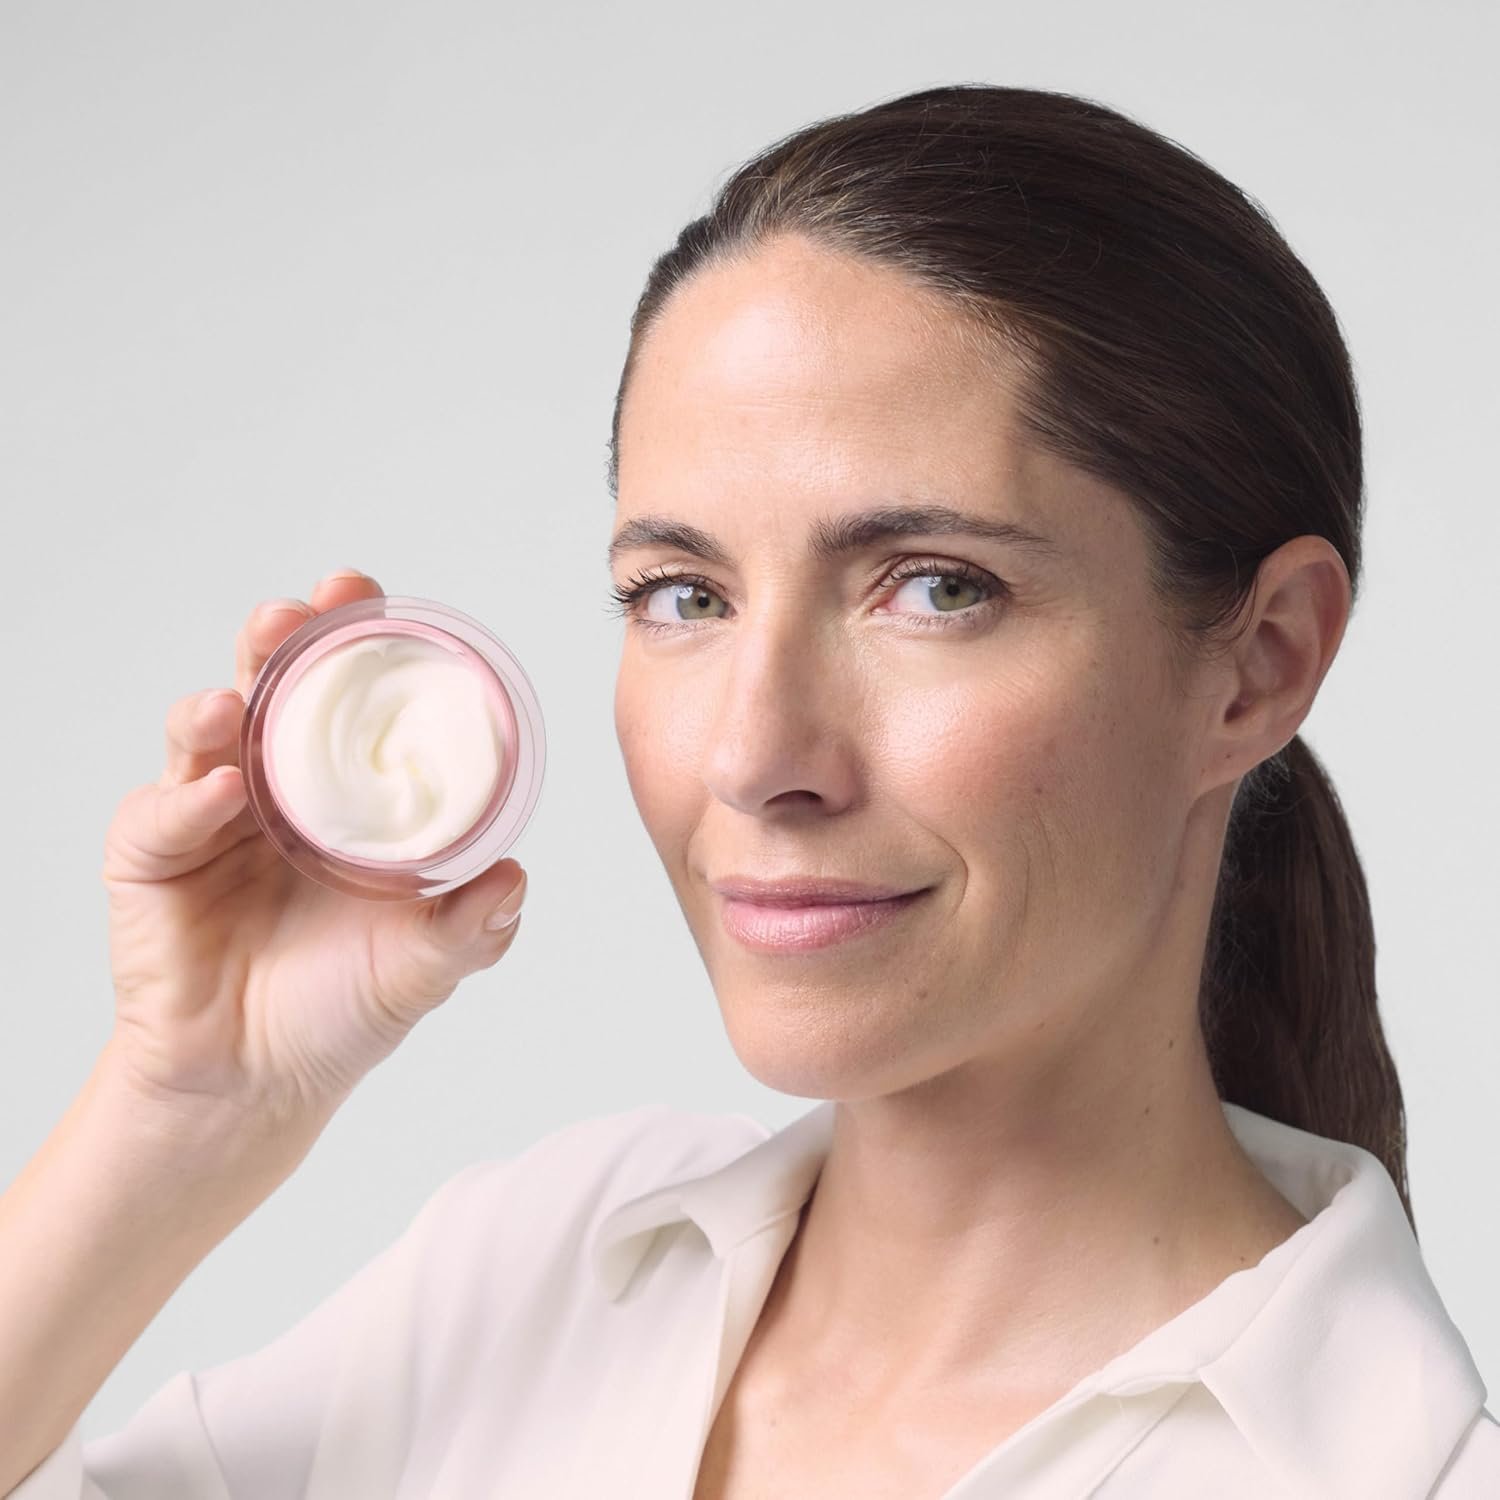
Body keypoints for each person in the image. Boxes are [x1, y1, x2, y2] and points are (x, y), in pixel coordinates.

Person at [1, 82, 1495, 1499]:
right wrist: (188, 1105)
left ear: (1259, 665)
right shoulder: (540, 1274)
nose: (754, 756)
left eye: (936, 586)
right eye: (684, 596)